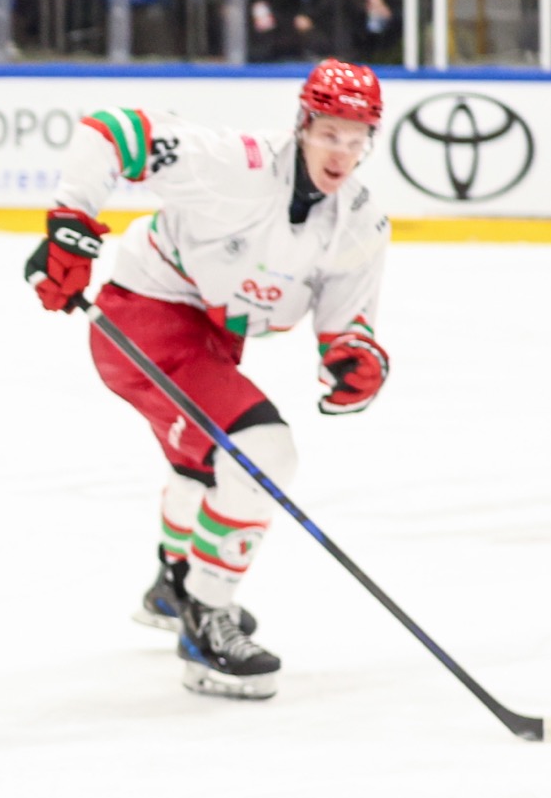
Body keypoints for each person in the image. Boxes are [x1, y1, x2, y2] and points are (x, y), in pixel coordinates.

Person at [24, 59, 391, 700]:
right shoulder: (236, 165)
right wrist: (71, 225)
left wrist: (352, 358)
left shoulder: (359, 220)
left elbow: (346, 321)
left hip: (210, 339)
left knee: (208, 463)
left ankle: (173, 586)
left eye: (357, 138)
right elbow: (113, 130)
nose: (342, 152)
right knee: (263, 452)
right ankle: (206, 617)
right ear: (303, 124)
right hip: (144, 319)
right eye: (331, 133)